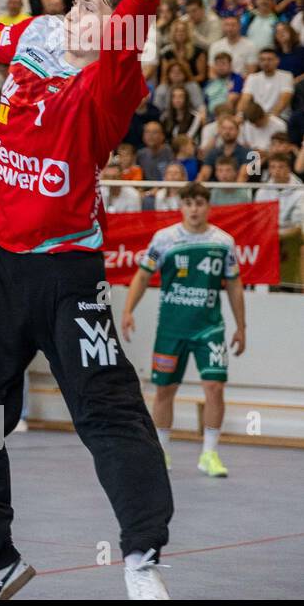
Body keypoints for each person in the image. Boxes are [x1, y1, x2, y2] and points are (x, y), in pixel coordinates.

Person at [0, 0, 204, 600]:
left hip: (67, 277)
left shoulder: (113, 85)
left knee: (105, 407)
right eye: (77, 4)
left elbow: (122, 41)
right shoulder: (38, 35)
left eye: (94, 12)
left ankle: (141, 555)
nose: (77, 16)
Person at [122, 182, 245, 482]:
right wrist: (127, 311)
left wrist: (242, 326)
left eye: (200, 203)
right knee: (165, 390)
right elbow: (141, 276)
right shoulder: (164, 239)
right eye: (188, 203)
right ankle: (161, 451)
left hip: (209, 329)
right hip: (171, 330)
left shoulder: (224, 242)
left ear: (208, 206)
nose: (194, 209)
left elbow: (234, 285)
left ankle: (210, 454)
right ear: (181, 206)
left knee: (215, 388)